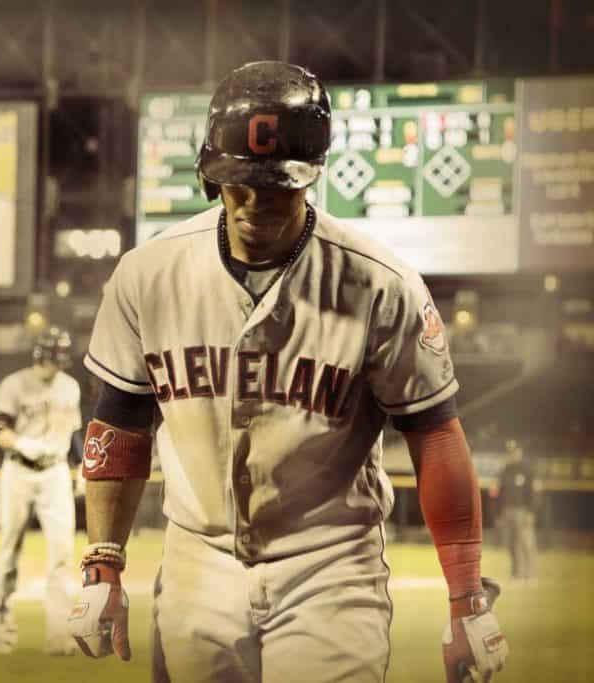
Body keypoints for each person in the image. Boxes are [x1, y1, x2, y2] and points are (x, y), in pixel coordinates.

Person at [68, 61, 509, 682]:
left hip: (330, 565)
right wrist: (104, 561)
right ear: (208, 174)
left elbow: (435, 434)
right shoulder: (148, 275)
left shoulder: (380, 283)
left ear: (313, 175)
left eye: (276, 187)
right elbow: (118, 424)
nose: (254, 203)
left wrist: (466, 597)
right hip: (199, 557)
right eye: (237, 184)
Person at [0, 327, 82, 656]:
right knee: (10, 549)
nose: (58, 364)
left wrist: (81, 465)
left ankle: (59, 634)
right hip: (18, 470)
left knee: (62, 553)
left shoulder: (70, 386)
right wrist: (21, 442)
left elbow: (74, 433)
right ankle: (2, 622)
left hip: (55, 471)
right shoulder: (15, 383)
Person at [491, 439, 538, 583]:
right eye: (509, 453)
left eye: (514, 452)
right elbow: (497, 493)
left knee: (526, 543)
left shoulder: (528, 470)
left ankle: (529, 574)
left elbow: (534, 492)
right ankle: (516, 574)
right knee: (512, 544)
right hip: (507, 511)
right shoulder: (504, 471)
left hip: (523, 511)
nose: (512, 455)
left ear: (520, 452)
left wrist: (531, 512)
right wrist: (498, 513)